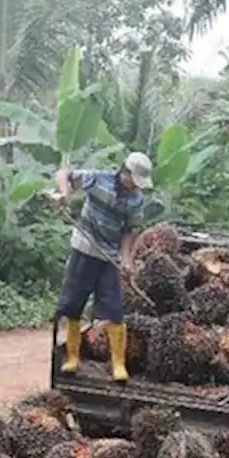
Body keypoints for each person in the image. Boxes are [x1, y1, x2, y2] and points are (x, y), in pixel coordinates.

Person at [52, 152, 153, 382]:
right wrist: (64, 194)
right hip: (83, 250)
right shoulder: (98, 179)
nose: (133, 186)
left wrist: (126, 258)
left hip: (109, 257)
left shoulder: (136, 200)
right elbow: (64, 174)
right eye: (132, 180)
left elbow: (130, 230)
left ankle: (118, 364)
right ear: (124, 171)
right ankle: (72, 358)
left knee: (114, 310)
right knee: (72, 305)